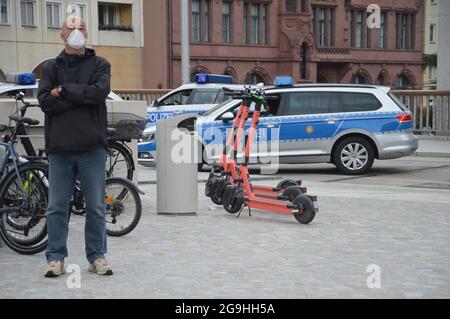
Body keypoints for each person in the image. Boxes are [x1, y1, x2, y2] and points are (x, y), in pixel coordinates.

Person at [38, 15, 113, 277]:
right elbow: (46, 102)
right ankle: (55, 258)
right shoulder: (50, 67)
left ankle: (97, 256)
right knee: (57, 206)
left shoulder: (100, 64)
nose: (77, 32)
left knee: (95, 206)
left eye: (81, 28)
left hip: (92, 147)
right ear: (62, 34)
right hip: (60, 148)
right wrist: (80, 95)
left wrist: (64, 91)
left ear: (88, 33)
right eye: (72, 28)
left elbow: (98, 93)